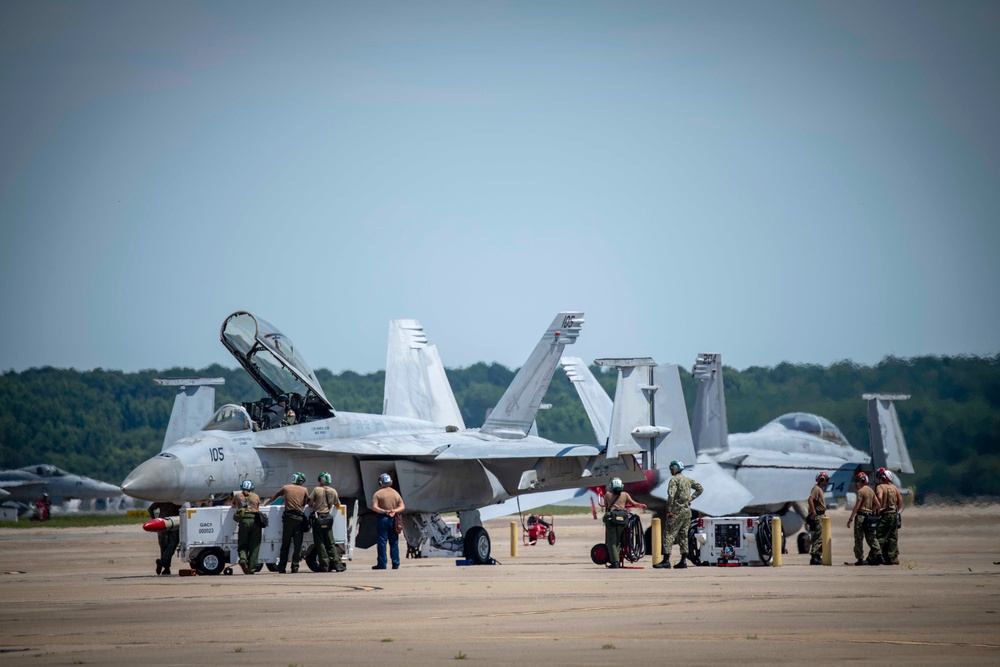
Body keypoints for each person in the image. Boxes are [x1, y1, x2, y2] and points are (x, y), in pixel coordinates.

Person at [654, 460, 703, 570]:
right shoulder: (687, 480)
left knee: (668, 534)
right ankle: (683, 561)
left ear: (674, 468)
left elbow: (671, 495)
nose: (670, 470)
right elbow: (700, 488)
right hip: (687, 512)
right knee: (683, 536)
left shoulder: (674, 480)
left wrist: (669, 510)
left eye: (671, 468)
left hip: (676, 512)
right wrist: (691, 499)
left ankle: (666, 561)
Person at [270, 472, 310, 574]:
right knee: (297, 545)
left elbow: (275, 497)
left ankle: (281, 567)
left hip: (287, 519)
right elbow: (304, 503)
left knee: (285, 544)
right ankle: (295, 567)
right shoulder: (304, 489)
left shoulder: (286, 487)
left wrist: (266, 504)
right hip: (298, 519)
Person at [602, 477, 646, 568]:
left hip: (612, 519)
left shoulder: (608, 494)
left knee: (612, 541)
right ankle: (618, 558)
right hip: (623, 519)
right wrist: (641, 505)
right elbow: (634, 504)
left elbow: (606, 506)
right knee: (620, 540)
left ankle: (615, 562)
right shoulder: (625, 494)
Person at [309, 472, 346, 572]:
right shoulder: (333, 491)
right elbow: (338, 505)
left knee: (320, 544)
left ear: (321, 480)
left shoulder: (316, 490)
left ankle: (324, 566)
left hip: (318, 518)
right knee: (331, 543)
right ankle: (337, 565)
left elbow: (310, 504)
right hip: (328, 519)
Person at [847, 471, 882, 566]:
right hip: (869, 517)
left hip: (861, 517)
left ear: (862, 481)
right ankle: (879, 555)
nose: (857, 483)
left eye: (858, 480)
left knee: (859, 538)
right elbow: (878, 504)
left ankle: (860, 559)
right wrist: (870, 511)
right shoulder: (871, 491)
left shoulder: (860, 491)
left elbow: (857, 506)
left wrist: (850, 519)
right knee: (871, 537)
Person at [371, 472, 405, 570]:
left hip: (383, 518)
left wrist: (385, 511)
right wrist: (394, 511)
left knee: (382, 542)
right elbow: (402, 506)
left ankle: (382, 564)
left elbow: (374, 507)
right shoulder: (395, 493)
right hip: (394, 519)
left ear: (380, 483)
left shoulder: (378, 494)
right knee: (394, 541)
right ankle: (395, 563)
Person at [231, 479, 262, 574]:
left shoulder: (237, 496)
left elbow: (233, 506)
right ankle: (251, 569)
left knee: (242, 543)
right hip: (255, 521)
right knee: (254, 546)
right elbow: (258, 507)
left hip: (244, 521)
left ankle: (243, 559)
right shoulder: (256, 496)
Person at [875, 468, 903, 565]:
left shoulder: (880, 487)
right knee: (892, 537)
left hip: (885, 515)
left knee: (880, 537)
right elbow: (900, 500)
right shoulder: (894, 487)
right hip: (894, 515)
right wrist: (896, 510)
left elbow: (879, 497)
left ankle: (875, 557)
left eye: (879, 476)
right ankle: (892, 558)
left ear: (883, 477)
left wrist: (878, 509)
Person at [148, 500, 182, 575]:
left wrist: (154, 519)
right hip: (168, 525)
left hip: (169, 524)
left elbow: (150, 509)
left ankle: (162, 563)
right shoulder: (171, 499)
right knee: (167, 547)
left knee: (169, 547)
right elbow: (150, 509)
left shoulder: (165, 498)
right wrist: (154, 520)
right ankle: (166, 567)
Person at [807, 472, 829, 565]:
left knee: (821, 536)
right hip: (818, 515)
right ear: (821, 480)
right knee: (818, 537)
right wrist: (814, 512)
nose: (827, 482)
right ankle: (815, 556)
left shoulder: (820, 489)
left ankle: (818, 555)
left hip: (821, 515)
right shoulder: (816, 489)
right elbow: (810, 499)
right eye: (826, 480)